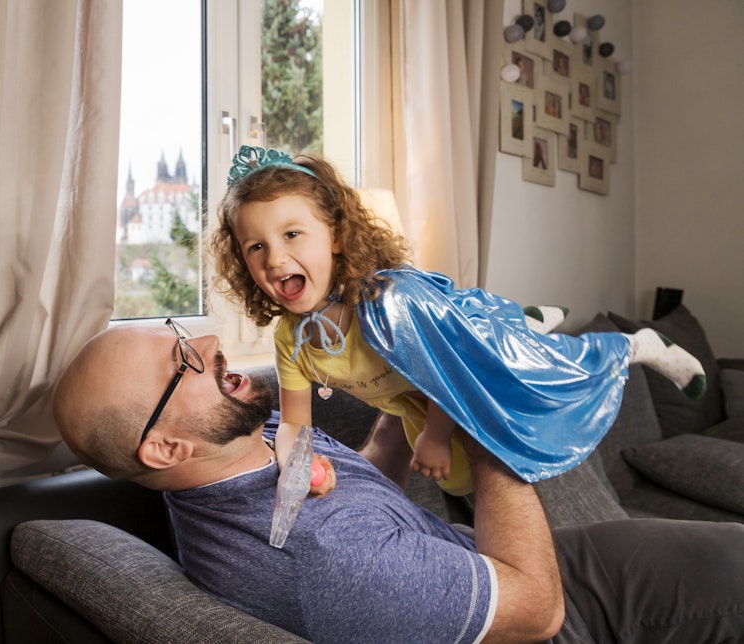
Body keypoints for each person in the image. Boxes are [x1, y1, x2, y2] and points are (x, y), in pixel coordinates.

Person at [52, 323, 744, 643]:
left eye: (177, 329)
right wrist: (482, 414)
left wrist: (399, 417)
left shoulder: (234, 447)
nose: (206, 339)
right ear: (165, 446)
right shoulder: (323, 561)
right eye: (181, 359)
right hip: (531, 608)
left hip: (478, 567)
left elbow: (361, 490)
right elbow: (537, 613)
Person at [209, 145, 705, 495]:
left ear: (336, 236)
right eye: (257, 246)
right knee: (462, 478)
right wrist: (291, 470)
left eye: (293, 234)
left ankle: (633, 345)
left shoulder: (389, 304)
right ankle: (520, 320)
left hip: (457, 383)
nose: (275, 258)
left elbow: (451, 375)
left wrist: (437, 435)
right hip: (422, 399)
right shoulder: (292, 340)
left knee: (539, 368)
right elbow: (296, 423)